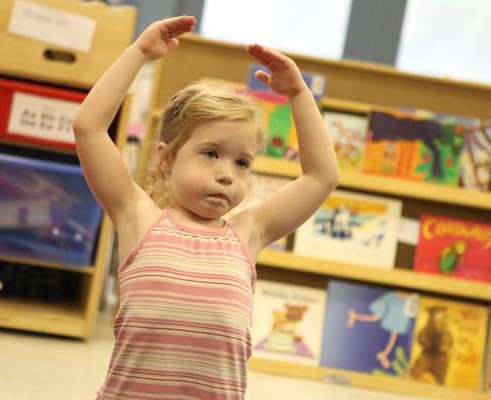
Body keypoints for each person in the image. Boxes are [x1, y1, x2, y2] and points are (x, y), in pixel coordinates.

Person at [73, 15, 339, 400]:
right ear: (166, 160)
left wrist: (299, 95)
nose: (226, 174)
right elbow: (89, 129)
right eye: (210, 154)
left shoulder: (248, 233)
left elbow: (320, 177)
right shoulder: (138, 216)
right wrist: (139, 54)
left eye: (241, 163)